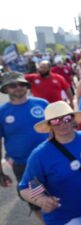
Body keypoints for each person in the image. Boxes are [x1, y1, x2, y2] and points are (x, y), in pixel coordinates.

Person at [19, 101, 81, 225]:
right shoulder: (39, 155)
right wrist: (41, 200)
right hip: (61, 214)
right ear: (49, 125)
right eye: (55, 121)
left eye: (66, 118)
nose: (62, 124)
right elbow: (24, 187)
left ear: (73, 119)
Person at [0, 71, 48, 220]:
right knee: (37, 201)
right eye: (13, 85)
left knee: (60, 194)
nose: (18, 87)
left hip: (50, 159)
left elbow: (55, 130)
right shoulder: (2, 112)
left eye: (21, 84)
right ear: (6, 89)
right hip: (24, 166)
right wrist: (0, 172)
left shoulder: (42, 104)